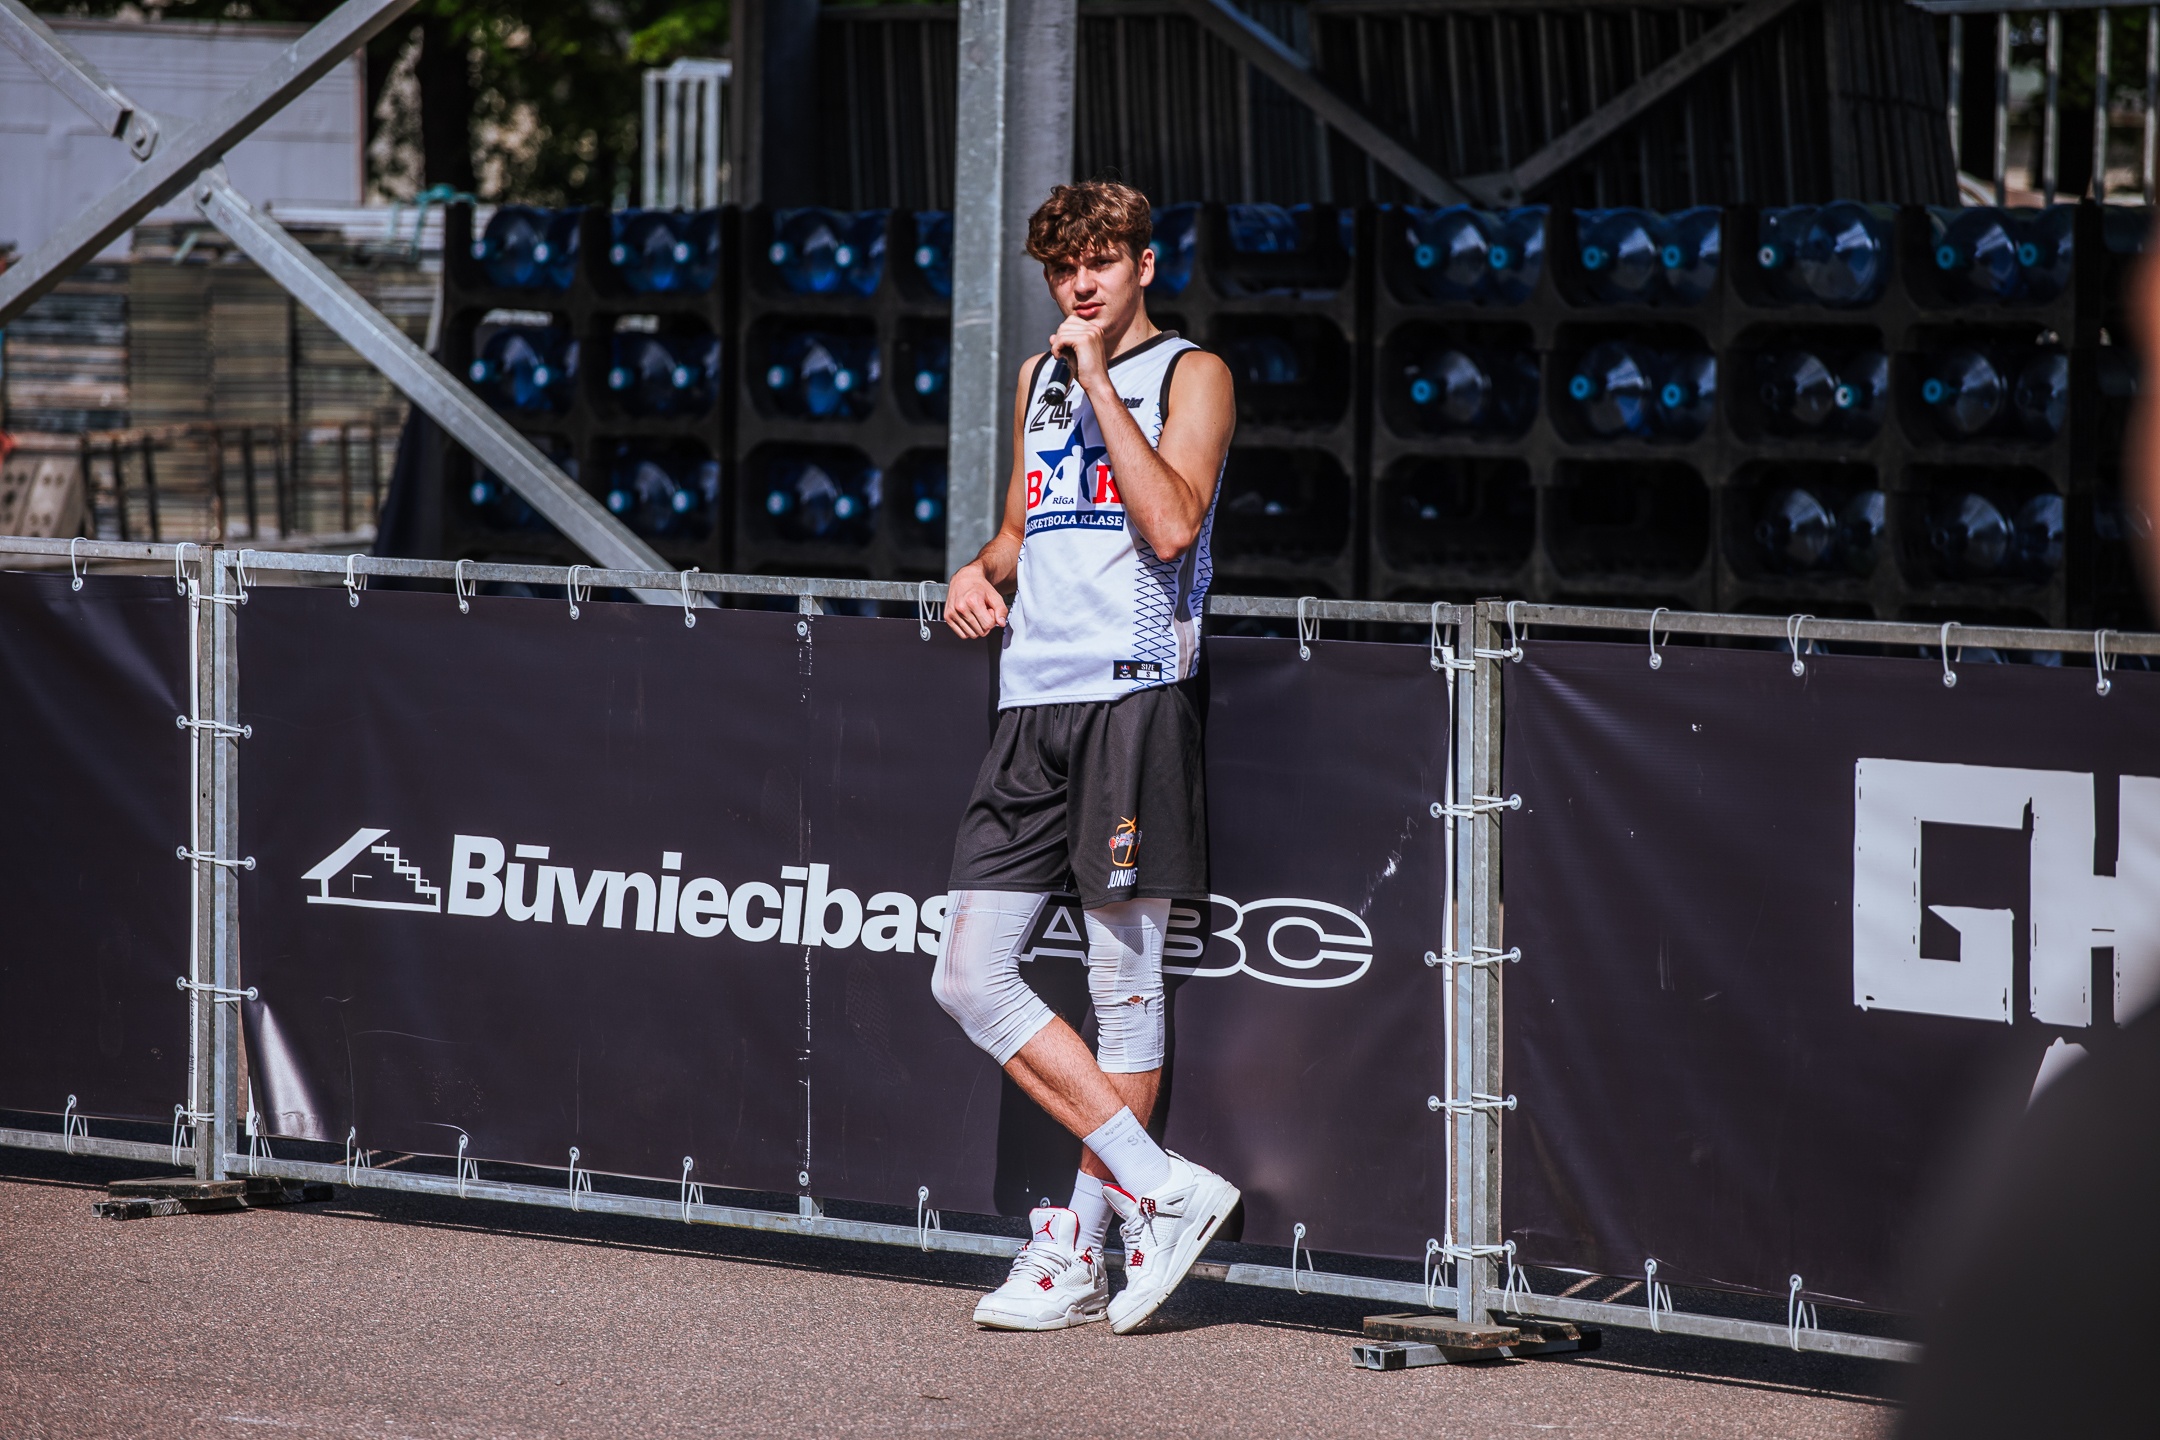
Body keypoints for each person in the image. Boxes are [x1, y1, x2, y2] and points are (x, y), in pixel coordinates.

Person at [932, 179, 1240, 1334]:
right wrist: (976, 571)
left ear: (1143, 265)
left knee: (1123, 988)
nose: (1081, 283)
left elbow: (1171, 523)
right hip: (1031, 702)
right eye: (1064, 268)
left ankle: (1079, 1248)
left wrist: (1103, 381)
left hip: (1135, 693)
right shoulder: (1036, 377)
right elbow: (1024, 530)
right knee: (968, 975)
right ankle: (1163, 1189)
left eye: (1102, 260)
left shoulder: (1191, 372)